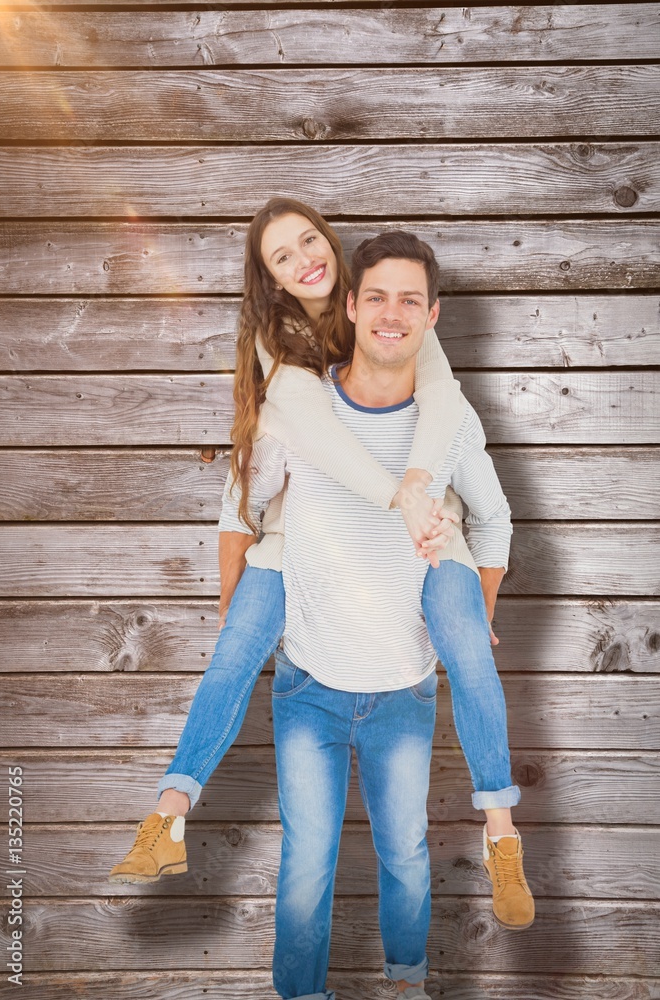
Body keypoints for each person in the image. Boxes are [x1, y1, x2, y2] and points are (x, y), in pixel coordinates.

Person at [109, 201, 532, 934]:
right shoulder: (283, 354)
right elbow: (256, 489)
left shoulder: (391, 309)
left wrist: (423, 488)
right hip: (295, 540)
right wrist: (231, 590)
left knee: (469, 653)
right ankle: (168, 815)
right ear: (271, 281)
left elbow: (443, 407)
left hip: (428, 535)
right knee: (234, 653)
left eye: (309, 239)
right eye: (281, 256)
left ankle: (501, 832)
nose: (304, 257)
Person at [221, 231, 533, 999]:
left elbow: (493, 521)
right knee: (306, 867)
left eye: (410, 300)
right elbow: (242, 506)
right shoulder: (299, 405)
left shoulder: (449, 421)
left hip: (403, 690)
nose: (391, 314)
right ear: (350, 307)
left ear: (432, 317)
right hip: (308, 686)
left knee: (403, 855)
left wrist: (474, 619)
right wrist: (240, 616)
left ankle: (406, 983)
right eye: (378, 297)